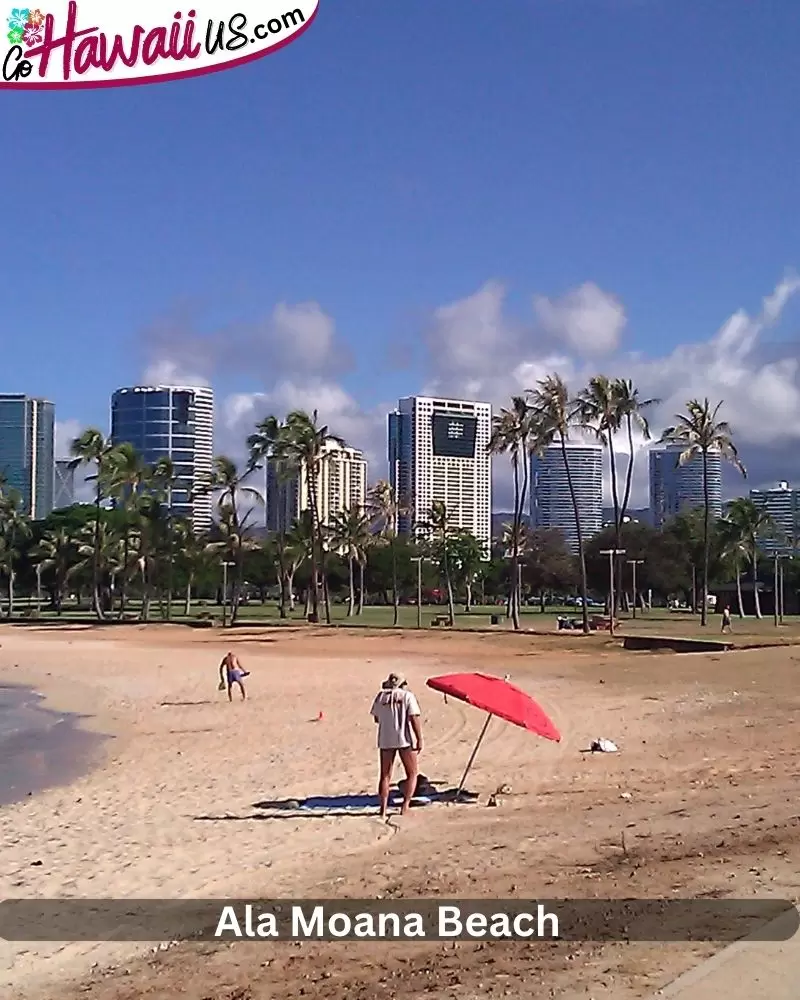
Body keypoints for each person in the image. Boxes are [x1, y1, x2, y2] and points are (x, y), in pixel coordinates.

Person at [370, 673, 422, 819]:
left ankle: (383, 809)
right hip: (404, 738)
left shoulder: (381, 697)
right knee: (412, 773)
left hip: (385, 738)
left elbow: (376, 718)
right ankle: (405, 806)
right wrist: (419, 738)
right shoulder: (407, 696)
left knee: (385, 775)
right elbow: (414, 718)